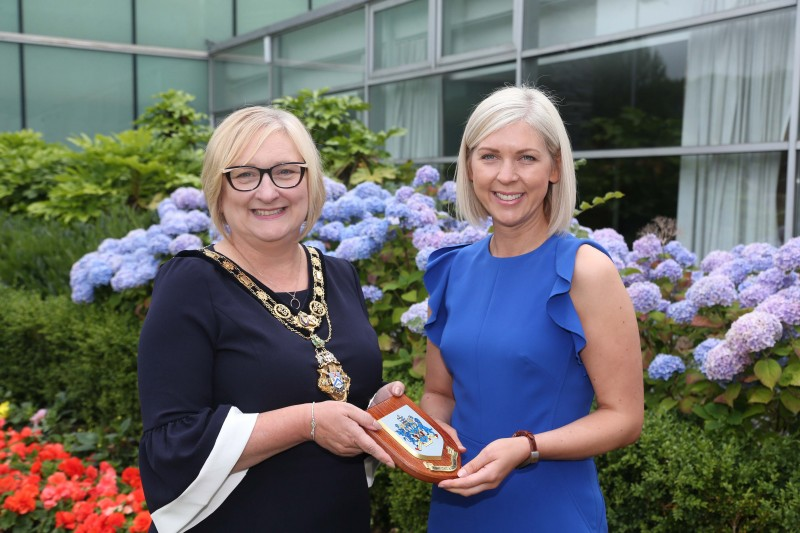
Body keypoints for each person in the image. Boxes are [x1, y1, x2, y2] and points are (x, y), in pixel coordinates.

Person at [137, 106, 404, 533]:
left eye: (285, 171)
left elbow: (332, 388)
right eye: (244, 174)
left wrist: (378, 409)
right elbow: (171, 442)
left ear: (309, 182)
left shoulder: (338, 274)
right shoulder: (191, 283)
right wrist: (308, 423)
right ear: (218, 189)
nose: (267, 192)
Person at [420, 85, 644, 531]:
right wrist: (419, 429)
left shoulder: (585, 270)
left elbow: (624, 418)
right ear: (468, 165)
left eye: (526, 157)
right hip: (456, 507)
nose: (507, 175)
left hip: (551, 511)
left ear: (555, 167)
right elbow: (440, 395)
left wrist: (528, 447)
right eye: (489, 156)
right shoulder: (451, 269)